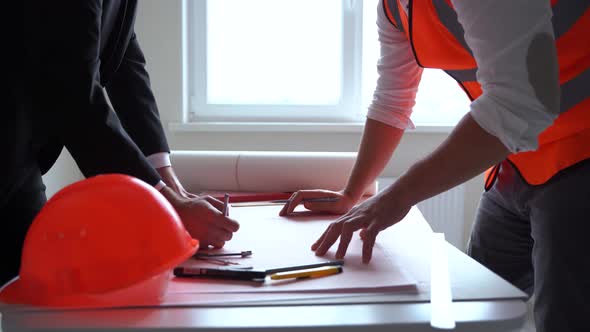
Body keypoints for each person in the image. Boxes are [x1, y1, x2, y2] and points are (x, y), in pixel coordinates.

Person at [280, 0, 589, 331]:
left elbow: (518, 103)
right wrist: (351, 193)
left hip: (579, 154)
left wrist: (397, 196)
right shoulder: (393, 8)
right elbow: (392, 100)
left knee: (564, 318)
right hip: (515, 159)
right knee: (476, 309)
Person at [1, 0, 239, 287]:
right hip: (9, 144)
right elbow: (77, 102)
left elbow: (125, 53)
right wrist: (166, 203)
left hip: (19, 156)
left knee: (25, 289)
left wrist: (166, 178)